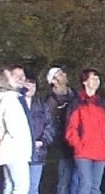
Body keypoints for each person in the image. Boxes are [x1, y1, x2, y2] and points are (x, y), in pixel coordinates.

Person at [65, 69, 105, 194]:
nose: (96, 81)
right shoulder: (77, 103)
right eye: (93, 78)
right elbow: (71, 128)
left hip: (100, 151)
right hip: (84, 151)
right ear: (85, 81)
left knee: (95, 187)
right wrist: (79, 145)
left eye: (97, 79)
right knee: (86, 184)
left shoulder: (102, 103)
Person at [0, 69, 32, 194]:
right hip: (16, 150)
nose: (16, 79)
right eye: (11, 77)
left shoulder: (2, 99)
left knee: (9, 186)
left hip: (8, 149)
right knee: (21, 188)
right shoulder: (10, 100)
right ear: (5, 82)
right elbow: (15, 129)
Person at [44, 66, 78, 194]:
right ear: (53, 80)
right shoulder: (51, 100)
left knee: (76, 176)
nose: (64, 75)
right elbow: (49, 121)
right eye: (59, 74)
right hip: (62, 141)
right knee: (65, 176)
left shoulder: (74, 94)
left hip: (76, 137)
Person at [24, 77, 54, 194]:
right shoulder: (16, 104)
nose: (31, 88)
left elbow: (49, 125)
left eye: (34, 85)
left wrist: (42, 141)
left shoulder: (41, 105)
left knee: (33, 187)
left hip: (37, 151)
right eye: (28, 84)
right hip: (19, 151)